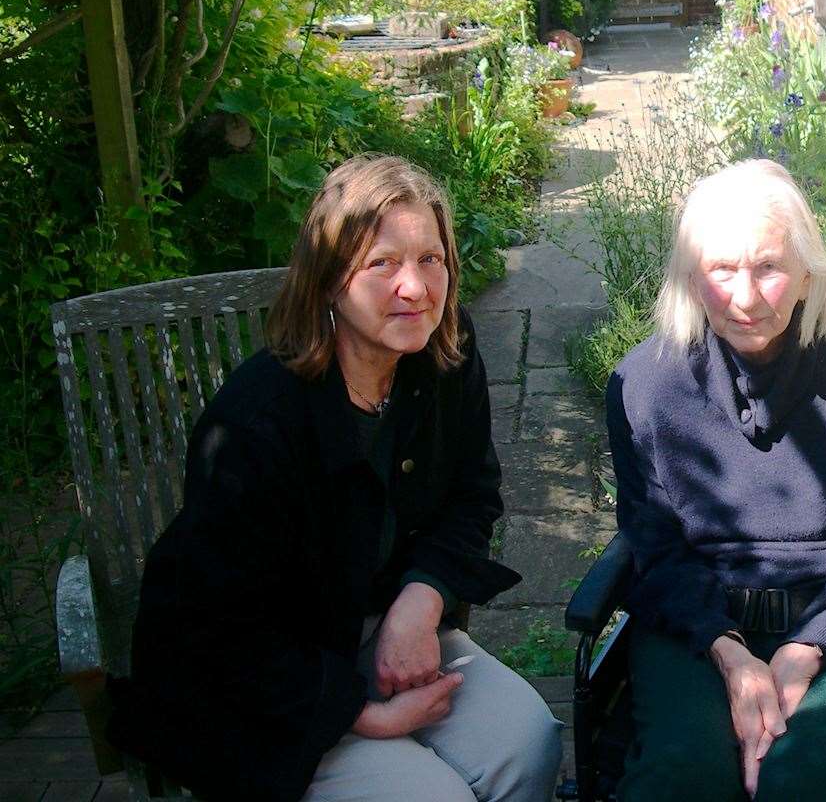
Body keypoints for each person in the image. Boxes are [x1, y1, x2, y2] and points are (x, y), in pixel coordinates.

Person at [108, 155, 562, 802]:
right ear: (328, 282)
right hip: (261, 680)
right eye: (382, 264)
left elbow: (471, 492)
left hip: (376, 626)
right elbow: (222, 630)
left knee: (528, 744)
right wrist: (362, 716)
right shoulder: (253, 425)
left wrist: (422, 598)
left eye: (430, 259)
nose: (414, 287)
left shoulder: (444, 358)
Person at [608, 159, 826, 802]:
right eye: (721, 269)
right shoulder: (646, 384)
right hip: (696, 627)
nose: (745, 296)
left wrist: (809, 647)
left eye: (768, 267)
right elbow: (655, 548)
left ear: (807, 273)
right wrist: (729, 653)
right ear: (690, 275)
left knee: (808, 782)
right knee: (684, 780)